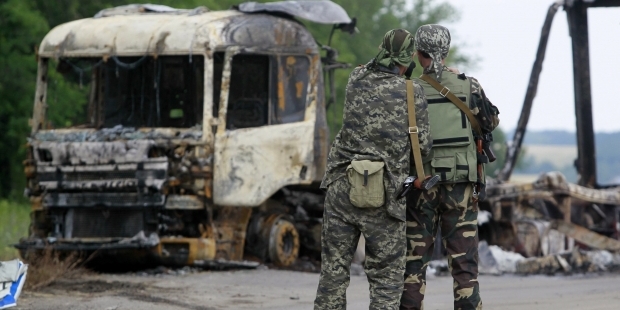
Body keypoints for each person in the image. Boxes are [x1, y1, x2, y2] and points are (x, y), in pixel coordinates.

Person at [314, 28, 432, 310]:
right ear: (407, 59)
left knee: (333, 271)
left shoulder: (356, 78)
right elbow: (424, 146)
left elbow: (369, 66)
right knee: (386, 280)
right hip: (386, 194)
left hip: (344, 184)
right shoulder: (412, 90)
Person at [399, 24, 500, 310]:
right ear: (446, 51)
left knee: (413, 264)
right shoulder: (469, 85)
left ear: (418, 54)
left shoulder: (407, 90)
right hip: (461, 185)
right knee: (465, 263)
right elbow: (490, 122)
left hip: (421, 185)